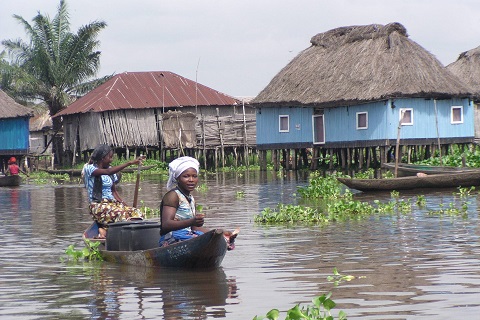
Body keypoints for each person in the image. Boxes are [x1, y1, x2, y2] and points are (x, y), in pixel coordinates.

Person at [159, 156, 238, 249]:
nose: (191, 180)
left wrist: (218, 233)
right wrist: (192, 221)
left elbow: (194, 228)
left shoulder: (191, 199)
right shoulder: (173, 196)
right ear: (177, 178)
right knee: (205, 241)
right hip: (171, 238)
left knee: (219, 239)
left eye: (194, 176)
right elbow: (166, 225)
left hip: (188, 236)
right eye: (186, 176)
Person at [83, 144, 145, 237]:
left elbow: (114, 192)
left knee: (137, 213)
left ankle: (106, 230)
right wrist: (129, 163)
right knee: (121, 214)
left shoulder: (110, 171)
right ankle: (108, 232)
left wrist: (126, 205)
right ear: (103, 158)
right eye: (110, 157)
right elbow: (108, 172)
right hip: (98, 205)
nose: (111, 160)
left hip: (112, 204)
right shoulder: (90, 168)